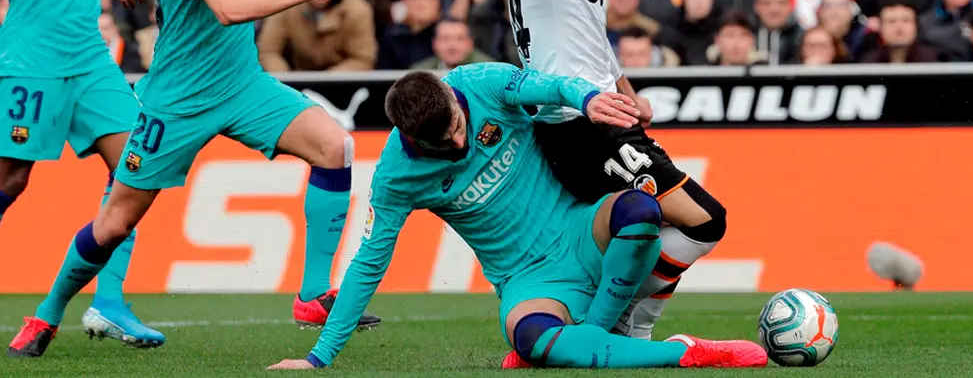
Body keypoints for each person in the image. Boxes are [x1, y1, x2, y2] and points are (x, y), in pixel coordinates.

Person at [8, 0, 380, 359]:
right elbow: (228, 7)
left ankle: (311, 295)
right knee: (113, 223)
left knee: (335, 146)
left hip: (243, 84)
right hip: (177, 100)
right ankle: (47, 314)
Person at [266, 64, 766, 370]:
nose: (459, 145)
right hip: (528, 281)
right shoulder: (395, 178)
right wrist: (318, 358)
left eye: (459, 128)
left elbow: (556, 86)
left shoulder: (481, 83)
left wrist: (590, 99)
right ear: (410, 136)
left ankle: (597, 336)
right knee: (530, 336)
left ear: (450, 95)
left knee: (640, 210)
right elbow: (368, 265)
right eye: (444, 144)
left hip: (581, 232)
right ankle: (687, 353)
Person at [509, 0, 728, 341]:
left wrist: (628, 91)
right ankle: (616, 325)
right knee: (705, 221)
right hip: (579, 124)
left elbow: (587, 41)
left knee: (656, 226)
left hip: (602, 117)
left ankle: (609, 325)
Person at [1, 0, 160, 353]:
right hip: (33, 61)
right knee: (11, 180)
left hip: (88, 58)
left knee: (139, 171)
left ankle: (109, 304)